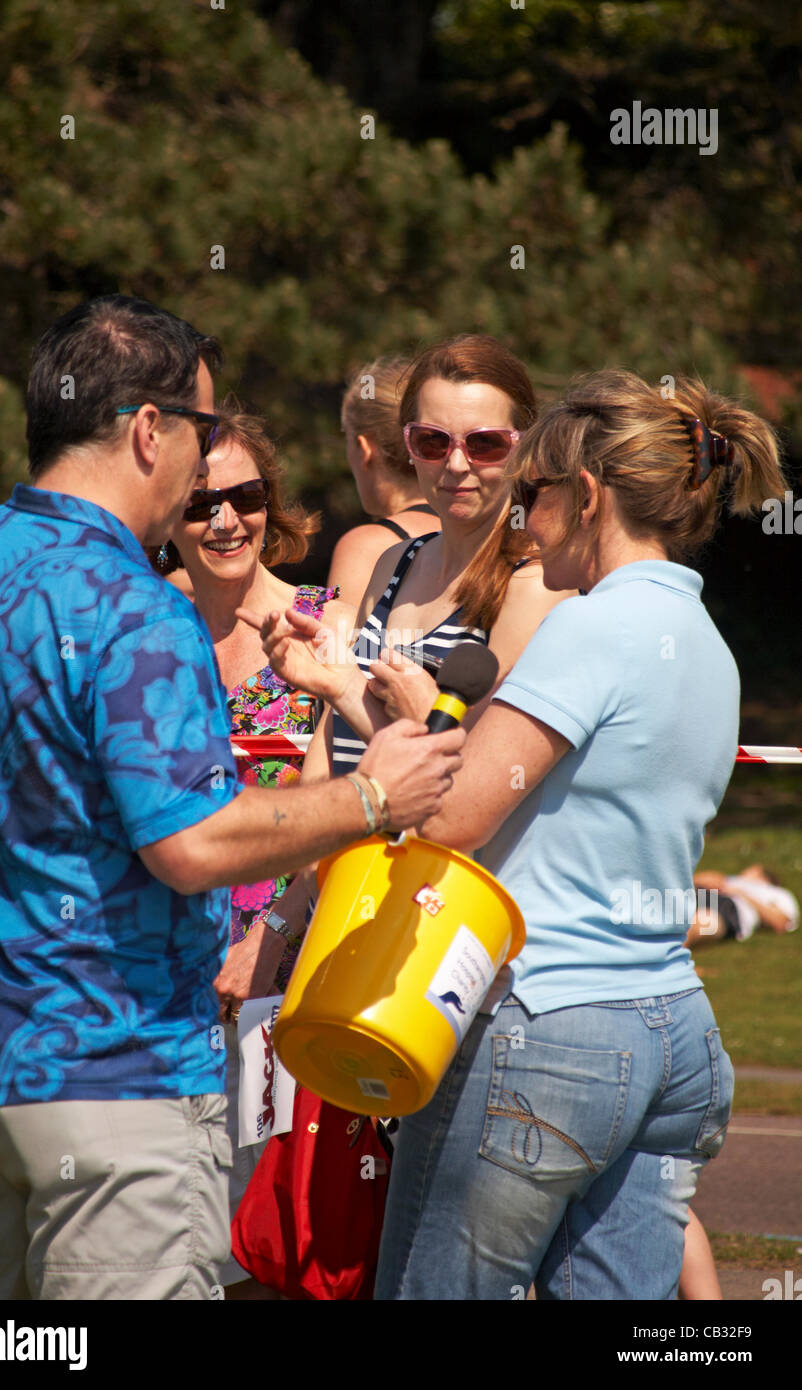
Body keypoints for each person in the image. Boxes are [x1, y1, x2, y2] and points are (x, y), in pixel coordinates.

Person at [0, 294, 465, 1301]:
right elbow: (189, 843)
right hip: (117, 1079)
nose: (207, 460)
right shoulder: (132, 602)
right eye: (203, 430)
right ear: (147, 430)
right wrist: (371, 795)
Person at [252, 368, 786, 1299]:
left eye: (534, 494)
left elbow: (452, 816)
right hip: (671, 1034)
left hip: (549, 1034)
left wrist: (400, 710)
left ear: (586, 497)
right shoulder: (703, 638)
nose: (524, 524)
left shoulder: (591, 629)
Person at [167, 404, 352, 1298]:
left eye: (245, 496)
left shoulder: (324, 625)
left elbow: (356, 807)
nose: (226, 520)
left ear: (272, 504)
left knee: (272, 1235)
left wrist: (271, 934)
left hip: (288, 967)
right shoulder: (137, 629)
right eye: (203, 503)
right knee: (170, 1224)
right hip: (160, 974)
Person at [246, 335, 577, 808]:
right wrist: (309, 871)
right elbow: (330, 735)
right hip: (348, 857)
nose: (457, 464)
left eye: (485, 444)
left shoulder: (533, 584)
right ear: (407, 444)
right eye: (432, 442)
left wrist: (343, 686)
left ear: (521, 449)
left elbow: (473, 785)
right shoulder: (393, 562)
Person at [327, 357, 440, 606]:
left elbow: (337, 639)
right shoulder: (474, 531)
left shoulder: (367, 546)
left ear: (365, 449)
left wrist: (294, 603)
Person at [686, 864, 799, 947]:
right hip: (699, 893)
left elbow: (781, 923)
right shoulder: (730, 879)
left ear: (763, 876)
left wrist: (741, 894)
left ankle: (671, 958)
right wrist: (700, 879)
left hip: (730, 907)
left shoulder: (777, 893)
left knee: (701, 920)